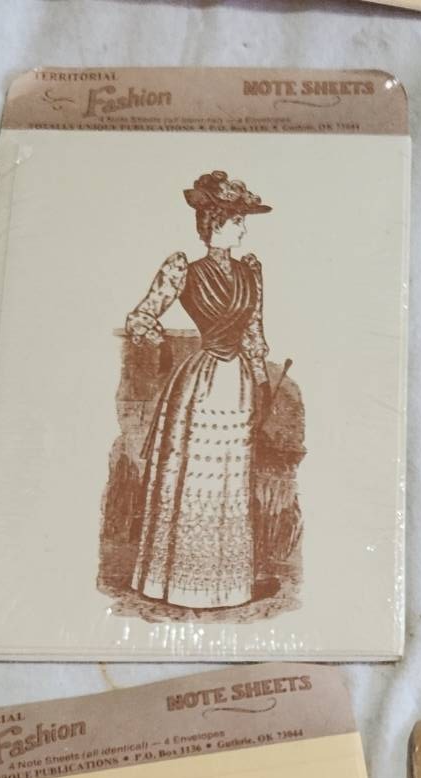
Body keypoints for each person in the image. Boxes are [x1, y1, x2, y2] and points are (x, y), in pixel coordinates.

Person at [124, 171, 274, 609]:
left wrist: (262, 382)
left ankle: (227, 585)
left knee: (230, 479)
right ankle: (176, 583)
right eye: (238, 221)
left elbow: (254, 333)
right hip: (201, 385)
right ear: (216, 223)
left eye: (242, 221)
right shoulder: (183, 270)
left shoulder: (250, 271)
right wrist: (162, 347)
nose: (243, 229)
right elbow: (140, 318)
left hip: (238, 383)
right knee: (193, 477)